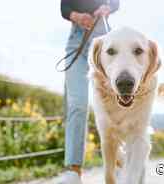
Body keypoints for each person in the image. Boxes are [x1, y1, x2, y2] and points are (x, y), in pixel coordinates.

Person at [59, 0, 119, 183]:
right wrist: (77, 16)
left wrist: (106, 9)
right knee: (77, 103)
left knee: (110, 104)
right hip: (76, 39)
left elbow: (115, 2)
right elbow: (64, 7)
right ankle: (74, 171)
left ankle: (118, 163)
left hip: (103, 39)